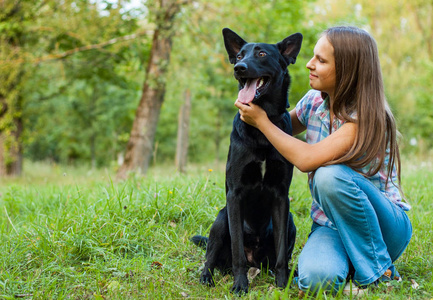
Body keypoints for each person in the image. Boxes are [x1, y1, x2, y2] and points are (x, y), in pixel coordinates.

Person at [234, 26, 412, 295]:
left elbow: (305, 159)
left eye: (321, 60)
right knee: (316, 279)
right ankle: (352, 262)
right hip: (330, 226)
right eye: (313, 57)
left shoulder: (364, 117)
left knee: (329, 177)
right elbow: (282, 131)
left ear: (348, 70)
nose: (309, 63)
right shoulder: (313, 102)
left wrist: (261, 121)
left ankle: (379, 271)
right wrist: (256, 101)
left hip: (384, 225)